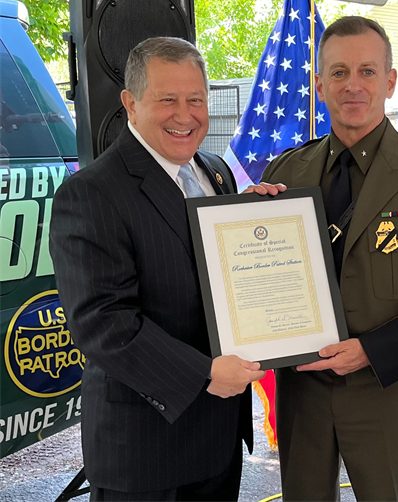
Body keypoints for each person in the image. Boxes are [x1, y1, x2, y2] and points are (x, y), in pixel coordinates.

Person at [261, 16, 398, 502]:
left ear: (389, 82)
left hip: (387, 389)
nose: (353, 85)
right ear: (319, 84)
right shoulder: (284, 173)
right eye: (338, 73)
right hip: (303, 391)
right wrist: (248, 218)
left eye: (367, 71)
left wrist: (373, 350)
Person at [49, 37, 282, 502]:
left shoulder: (216, 172)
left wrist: (256, 220)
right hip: (144, 451)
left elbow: (217, 272)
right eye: (167, 99)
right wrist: (205, 375)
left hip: (217, 443)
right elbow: (103, 323)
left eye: (196, 99)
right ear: (130, 104)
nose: (185, 114)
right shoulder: (91, 193)